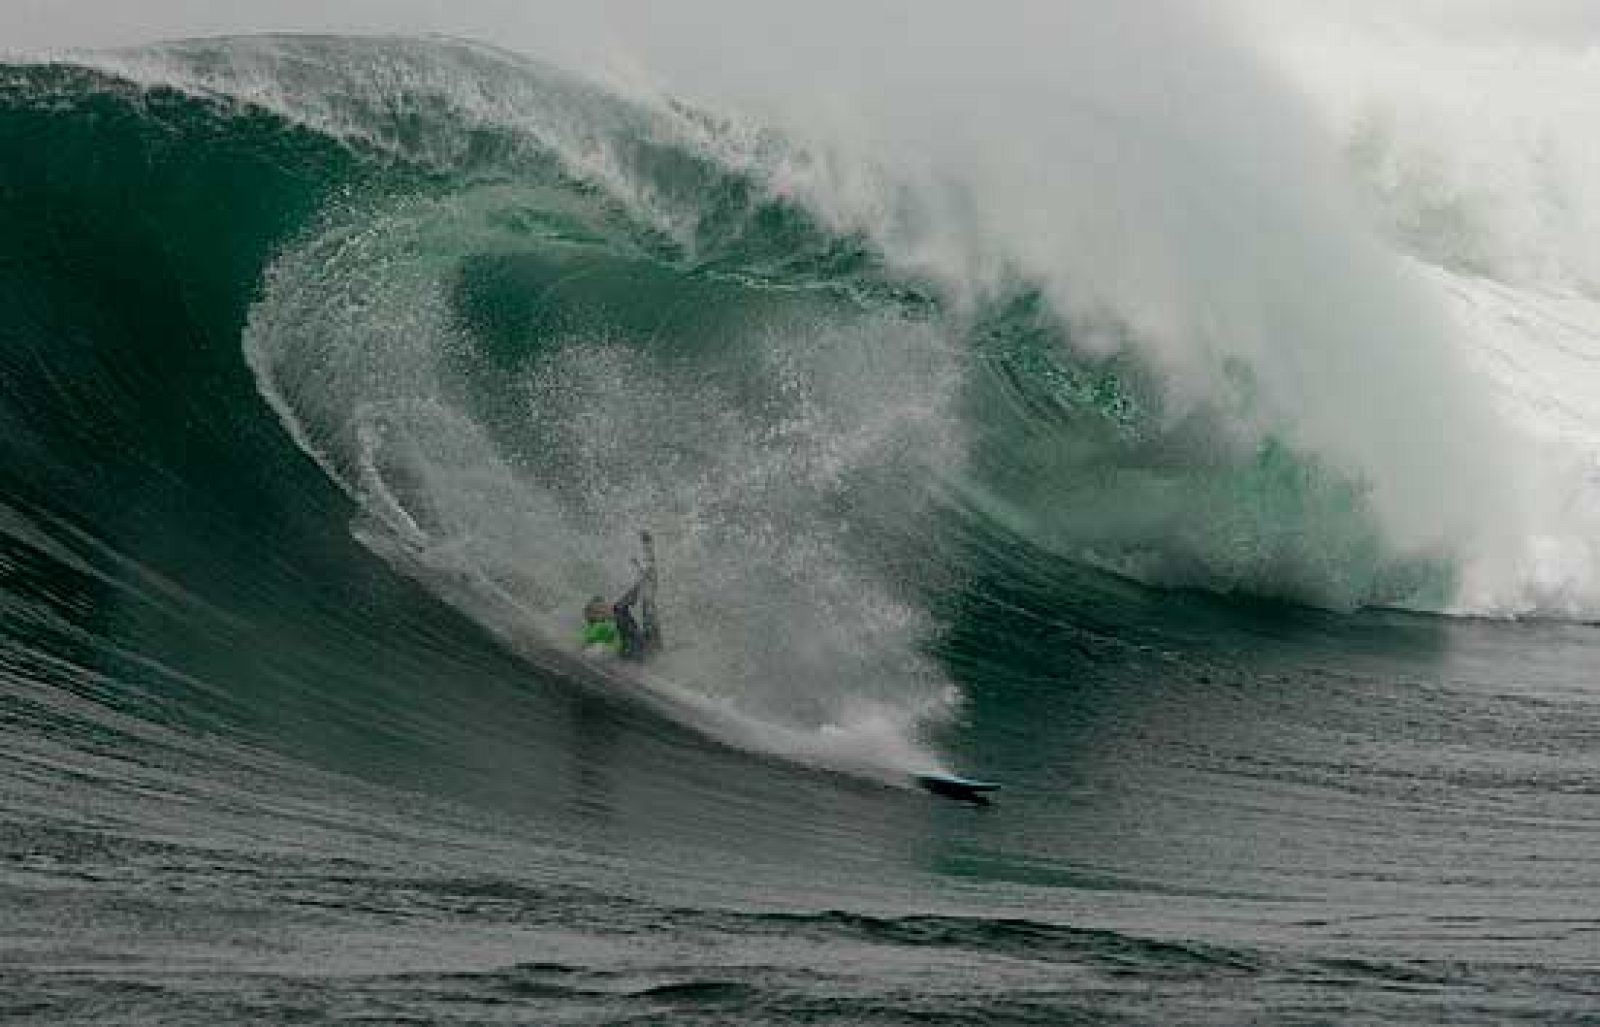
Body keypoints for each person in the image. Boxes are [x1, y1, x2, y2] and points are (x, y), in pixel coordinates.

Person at [580, 531, 661, 662]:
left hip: (647, 649)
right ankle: (648, 554)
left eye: (603, 605)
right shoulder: (608, 621)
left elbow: (593, 644)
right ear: (597, 616)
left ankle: (648, 555)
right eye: (602, 608)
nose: (606, 606)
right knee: (646, 597)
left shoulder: (608, 622)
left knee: (648, 598)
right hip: (648, 651)